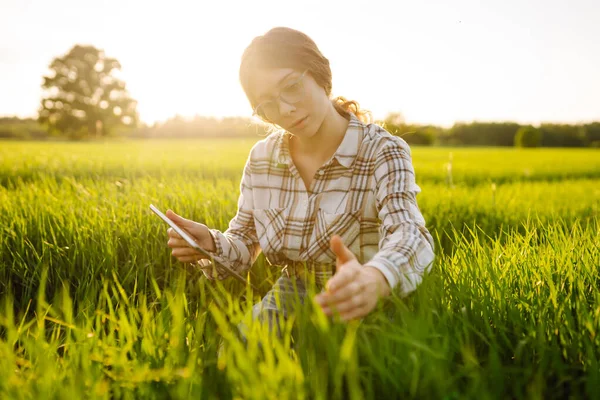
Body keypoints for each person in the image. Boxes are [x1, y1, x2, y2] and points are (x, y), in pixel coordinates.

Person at [166, 27, 435, 340]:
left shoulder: (382, 151)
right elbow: (244, 244)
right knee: (237, 357)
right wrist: (210, 244)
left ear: (320, 74)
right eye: (266, 104)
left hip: (363, 294)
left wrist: (376, 277)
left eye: (291, 86)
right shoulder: (262, 158)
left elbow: (410, 232)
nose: (285, 110)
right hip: (291, 294)